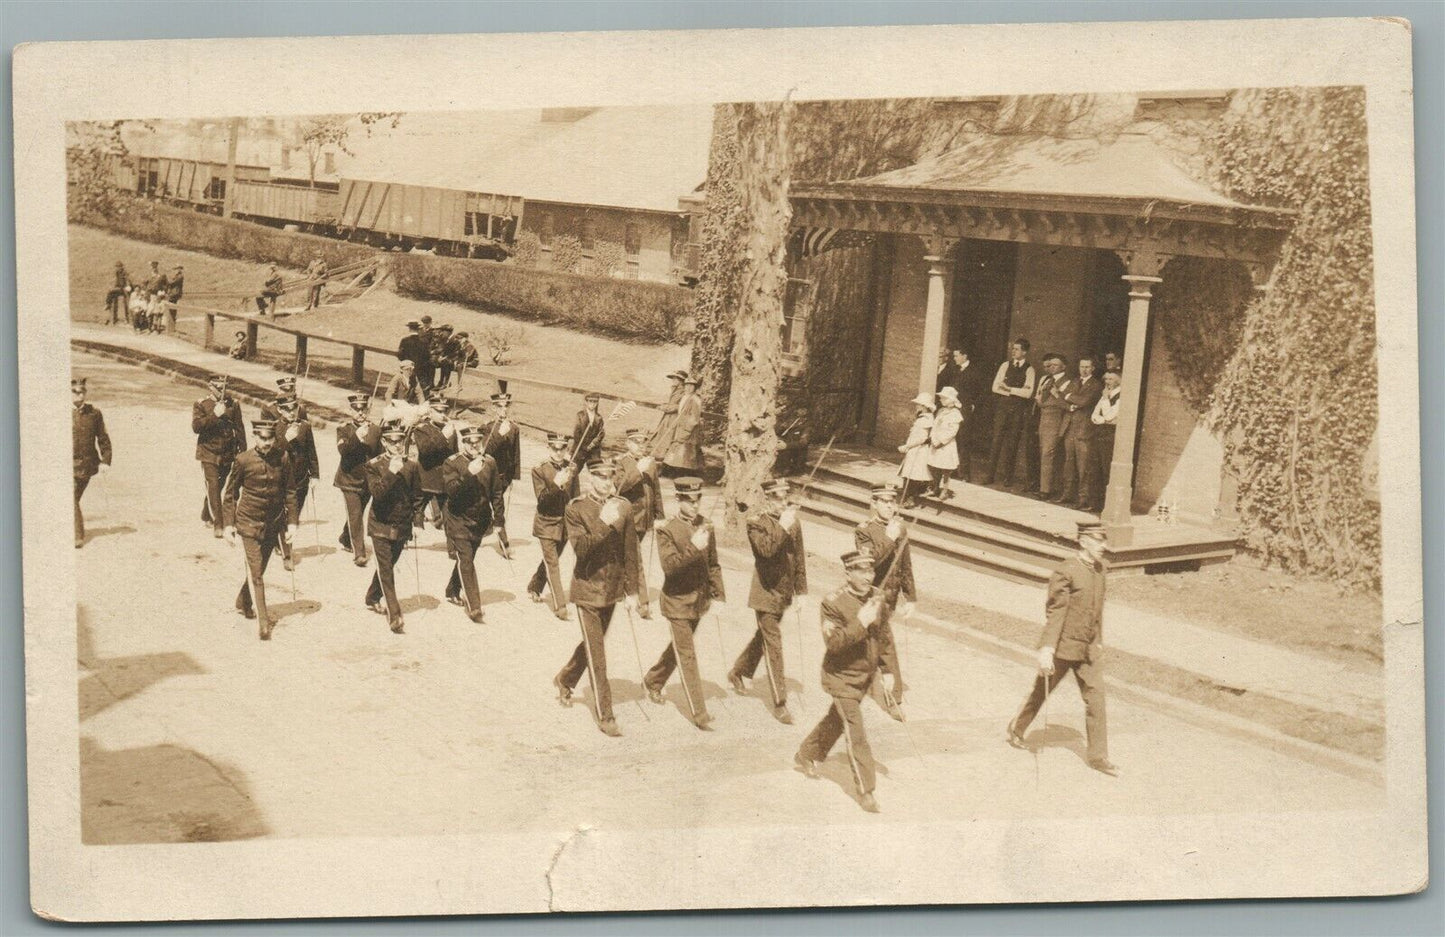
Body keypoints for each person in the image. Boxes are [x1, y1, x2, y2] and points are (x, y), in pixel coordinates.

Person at [1006, 520, 1118, 777]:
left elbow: (1097, 609)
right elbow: (1055, 612)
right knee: (1042, 691)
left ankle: (1099, 757)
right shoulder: (1067, 571)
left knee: (1096, 700)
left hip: (1088, 650)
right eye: (1099, 541)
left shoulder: (1101, 569)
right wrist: (1047, 649)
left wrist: (1098, 639)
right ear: (1083, 541)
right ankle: (1017, 728)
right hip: (1063, 647)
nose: (1104, 546)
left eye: (1104, 540)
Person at [793, 549, 887, 813]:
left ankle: (806, 753)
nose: (868, 576)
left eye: (871, 570)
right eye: (861, 571)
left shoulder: (877, 596)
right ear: (848, 573)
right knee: (855, 729)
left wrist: (889, 673)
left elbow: (885, 638)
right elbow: (833, 643)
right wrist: (860, 622)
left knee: (837, 720)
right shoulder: (832, 602)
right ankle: (866, 790)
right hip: (841, 677)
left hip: (865, 676)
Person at [552, 462, 641, 737]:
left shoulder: (623, 506)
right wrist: (604, 522)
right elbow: (581, 550)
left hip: (612, 590)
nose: (605, 482)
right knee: (598, 653)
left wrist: (633, 591)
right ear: (590, 480)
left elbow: (630, 551)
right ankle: (606, 715)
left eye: (609, 477)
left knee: (592, 646)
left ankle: (565, 678)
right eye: (600, 477)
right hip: (587, 589)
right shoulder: (576, 508)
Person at [643, 476, 724, 730]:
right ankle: (699, 713)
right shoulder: (667, 529)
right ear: (678, 500)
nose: (695, 505)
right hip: (677, 601)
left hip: (699, 601)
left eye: (698, 499)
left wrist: (718, 595)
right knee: (687, 654)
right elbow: (670, 568)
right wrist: (692, 547)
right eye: (689, 501)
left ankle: (654, 680)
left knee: (678, 649)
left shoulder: (706, 525)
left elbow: (713, 564)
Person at [728, 477, 808, 725]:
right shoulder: (756, 522)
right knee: (774, 644)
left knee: (763, 637)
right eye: (776, 498)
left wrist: (801, 591)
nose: (782, 502)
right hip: (764, 592)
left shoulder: (791, 521)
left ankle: (739, 672)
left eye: (785, 497)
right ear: (767, 499)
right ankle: (780, 702)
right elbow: (766, 552)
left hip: (783, 592)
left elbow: (798, 556)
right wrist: (782, 527)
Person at [223, 419, 299, 641]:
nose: (266, 443)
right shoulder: (243, 460)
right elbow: (230, 494)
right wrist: (229, 524)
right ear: (255, 437)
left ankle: (243, 601)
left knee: (260, 568)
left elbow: (291, 492)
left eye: (270, 439)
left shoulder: (283, 458)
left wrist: (292, 523)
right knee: (256, 573)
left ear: (275, 438)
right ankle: (263, 623)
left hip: (272, 523)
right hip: (248, 523)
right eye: (262, 438)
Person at [853, 483, 914, 720]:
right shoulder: (864, 531)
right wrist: (888, 538)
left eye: (893, 502)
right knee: (885, 643)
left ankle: (857, 675)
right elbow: (868, 563)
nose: (890, 506)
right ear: (874, 504)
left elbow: (905, 563)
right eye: (884, 502)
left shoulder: (900, 527)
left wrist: (911, 597)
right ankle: (894, 699)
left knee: (870, 640)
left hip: (891, 596)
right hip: (873, 595)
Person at [363, 424, 426, 634]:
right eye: (392, 441)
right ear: (383, 442)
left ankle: (372, 596)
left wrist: (417, 522)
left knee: (388, 565)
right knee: (387, 570)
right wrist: (391, 472)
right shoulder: (373, 465)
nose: (396, 445)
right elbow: (377, 493)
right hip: (380, 525)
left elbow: (418, 497)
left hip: (402, 526)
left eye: (400, 441)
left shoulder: (412, 466)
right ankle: (395, 616)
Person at [441, 425, 498, 624]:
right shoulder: (452, 463)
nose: (474, 446)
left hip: (479, 521)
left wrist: (499, 520)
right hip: (457, 520)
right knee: (466, 561)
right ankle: (474, 606)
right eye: (469, 442)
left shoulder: (489, 462)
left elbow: (496, 492)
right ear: (462, 443)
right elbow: (452, 492)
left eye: (478, 442)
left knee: (467, 558)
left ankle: (452, 589)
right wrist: (469, 474)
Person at [527, 433, 579, 619]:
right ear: (548, 448)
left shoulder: (572, 468)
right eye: (554, 448)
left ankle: (535, 586)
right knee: (553, 563)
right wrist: (556, 484)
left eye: (562, 448)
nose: (558, 452)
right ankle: (560, 606)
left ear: (566, 449)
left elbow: (576, 499)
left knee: (552, 559)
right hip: (546, 523)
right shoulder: (539, 470)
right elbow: (542, 501)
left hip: (565, 525)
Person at [614, 428, 662, 618]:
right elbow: (619, 488)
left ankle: (621, 588)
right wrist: (637, 471)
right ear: (628, 443)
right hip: (629, 519)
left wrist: (660, 516)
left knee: (627, 557)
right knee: (637, 560)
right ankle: (643, 603)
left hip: (645, 519)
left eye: (644, 442)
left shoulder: (650, 463)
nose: (641, 446)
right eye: (637, 442)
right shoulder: (622, 462)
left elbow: (656, 491)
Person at [192, 374, 245, 539]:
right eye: (219, 388)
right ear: (210, 387)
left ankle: (206, 514)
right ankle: (219, 524)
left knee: (219, 486)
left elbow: (239, 429)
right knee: (213, 486)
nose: (223, 392)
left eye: (224, 388)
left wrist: (243, 452)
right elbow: (196, 427)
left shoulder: (233, 404)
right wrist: (214, 415)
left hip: (227, 453)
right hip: (208, 452)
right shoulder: (201, 404)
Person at [272, 395, 319, 572]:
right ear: (280, 410)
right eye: (287, 409)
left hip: (301, 480)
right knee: (285, 517)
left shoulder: (305, 426)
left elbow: (311, 452)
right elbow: (272, 454)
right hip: (282, 480)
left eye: (294, 409)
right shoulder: (274, 427)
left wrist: (315, 475)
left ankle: (281, 542)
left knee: (294, 516)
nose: (291, 413)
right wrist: (286, 439)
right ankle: (287, 554)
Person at [335, 393, 382, 566]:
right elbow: (344, 451)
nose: (361, 413)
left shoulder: (376, 430)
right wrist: (357, 437)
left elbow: (379, 455)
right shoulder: (344, 429)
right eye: (356, 409)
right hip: (348, 480)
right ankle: (359, 554)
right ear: (350, 410)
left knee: (357, 512)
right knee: (355, 515)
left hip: (367, 481)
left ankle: (346, 538)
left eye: (364, 409)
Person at [983, 338, 1036, 488]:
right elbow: (995, 387)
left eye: (1017, 349)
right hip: (1003, 409)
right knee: (996, 442)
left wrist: (1009, 389)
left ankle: (1008, 477)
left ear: (1024, 352)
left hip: (1018, 412)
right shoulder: (1005, 365)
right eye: (1013, 349)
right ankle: (989, 475)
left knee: (1012, 444)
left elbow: (1028, 393)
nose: (1014, 351)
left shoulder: (1029, 369)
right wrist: (1012, 392)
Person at [1056, 355, 1103, 507]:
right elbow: (1060, 399)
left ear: (1093, 369)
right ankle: (1067, 494)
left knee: (1084, 466)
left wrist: (1069, 396)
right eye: (1082, 366)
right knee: (1069, 463)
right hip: (1069, 428)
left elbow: (1085, 401)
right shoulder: (1074, 381)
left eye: (1087, 367)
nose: (1084, 370)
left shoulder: (1096, 385)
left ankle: (1083, 499)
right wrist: (1069, 404)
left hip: (1084, 430)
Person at [478, 392, 520, 557]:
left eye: (506, 406)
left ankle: (498, 539)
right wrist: (499, 434)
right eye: (499, 406)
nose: (503, 410)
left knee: (496, 508)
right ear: (493, 407)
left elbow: (516, 453)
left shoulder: (514, 427)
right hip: (487, 475)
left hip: (503, 476)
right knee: (489, 507)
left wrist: (513, 476)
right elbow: (484, 451)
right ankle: (502, 542)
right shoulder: (487, 427)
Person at [72, 377, 112, 549]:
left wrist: (105, 460)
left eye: (82, 391)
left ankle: (71, 531)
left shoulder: (94, 414)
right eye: (75, 392)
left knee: (71, 498)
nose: (79, 395)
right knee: (70, 497)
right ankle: (76, 535)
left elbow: (103, 438)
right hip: (64, 465)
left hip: (86, 466)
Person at [412, 390, 459, 530]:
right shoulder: (422, 429)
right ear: (431, 412)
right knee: (417, 510)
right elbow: (425, 450)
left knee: (450, 514)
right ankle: (412, 536)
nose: (443, 415)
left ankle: (452, 547)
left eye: (445, 411)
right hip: (426, 477)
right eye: (439, 411)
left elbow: (454, 455)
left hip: (444, 480)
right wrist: (443, 437)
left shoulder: (450, 429)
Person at [935, 348, 981, 481]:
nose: (954, 358)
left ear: (964, 356)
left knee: (964, 440)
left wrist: (973, 405)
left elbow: (979, 391)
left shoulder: (974, 371)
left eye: (956, 356)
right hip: (952, 409)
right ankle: (952, 470)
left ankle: (965, 473)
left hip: (965, 410)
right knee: (951, 438)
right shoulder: (953, 370)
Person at [1033, 353, 1071, 499]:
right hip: (1044, 417)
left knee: (1048, 453)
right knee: (1044, 451)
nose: (1052, 367)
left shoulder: (1067, 382)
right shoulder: (1048, 380)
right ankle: (1045, 486)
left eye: (1055, 365)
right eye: (1051, 365)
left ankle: (1046, 490)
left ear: (1063, 367)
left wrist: (1057, 395)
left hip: (1055, 419)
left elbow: (1066, 404)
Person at [1087, 370, 1122, 514]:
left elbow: (1109, 415)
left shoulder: (1120, 396)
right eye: (1106, 378)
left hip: (1110, 435)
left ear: (1119, 380)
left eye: (1111, 379)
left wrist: (1106, 400)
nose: (1108, 382)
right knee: (1096, 469)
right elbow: (1094, 415)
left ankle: (1108, 505)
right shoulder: (1105, 395)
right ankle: (1096, 504)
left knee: (1107, 469)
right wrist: (1104, 419)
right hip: (1100, 432)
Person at [896, 392, 935, 507]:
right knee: (908, 473)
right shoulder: (922, 418)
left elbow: (922, 438)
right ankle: (905, 497)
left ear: (924, 406)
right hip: (914, 449)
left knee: (914, 474)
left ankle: (910, 499)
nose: (917, 406)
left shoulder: (926, 420)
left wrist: (907, 446)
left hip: (918, 450)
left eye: (919, 404)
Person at [928, 386, 963, 500]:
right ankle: (935, 487)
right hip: (936, 442)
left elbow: (952, 431)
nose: (941, 400)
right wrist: (933, 438)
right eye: (941, 398)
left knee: (946, 469)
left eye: (944, 398)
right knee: (935, 466)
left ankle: (945, 490)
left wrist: (941, 441)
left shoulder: (955, 414)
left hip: (946, 445)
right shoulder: (941, 411)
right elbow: (935, 425)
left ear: (951, 400)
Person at [663, 376, 703, 475]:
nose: (688, 388)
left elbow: (694, 418)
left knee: (687, 452)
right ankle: (675, 472)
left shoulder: (695, 400)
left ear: (695, 388)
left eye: (691, 386)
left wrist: (686, 430)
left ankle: (687, 474)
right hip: (681, 428)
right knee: (678, 451)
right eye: (687, 385)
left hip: (689, 430)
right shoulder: (685, 397)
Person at [648, 370, 687, 460]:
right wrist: (664, 405)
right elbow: (672, 402)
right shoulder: (675, 390)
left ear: (680, 380)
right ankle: (660, 457)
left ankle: (666, 459)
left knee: (670, 438)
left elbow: (680, 406)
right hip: (668, 417)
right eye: (673, 378)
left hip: (675, 418)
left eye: (675, 379)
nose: (673, 380)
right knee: (662, 436)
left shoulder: (683, 392)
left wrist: (666, 408)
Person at [570, 392, 606, 470]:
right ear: (586, 402)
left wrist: (593, 444)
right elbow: (576, 433)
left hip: (593, 449)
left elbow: (601, 433)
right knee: (573, 470)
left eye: (595, 402)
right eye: (590, 401)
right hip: (580, 447)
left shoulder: (599, 418)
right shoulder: (580, 415)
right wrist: (585, 446)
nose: (592, 404)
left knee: (597, 470)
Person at [397, 320, 430, 388]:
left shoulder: (405, 340)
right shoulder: (424, 342)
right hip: (419, 368)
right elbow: (427, 356)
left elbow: (400, 355)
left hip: (406, 366)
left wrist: (404, 361)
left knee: (404, 385)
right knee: (415, 386)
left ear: (410, 329)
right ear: (417, 329)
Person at [429, 324, 454, 388]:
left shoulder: (453, 339)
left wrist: (442, 356)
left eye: (443, 331)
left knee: (445, 362)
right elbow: (440, 348)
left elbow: (453, 352)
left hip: (454, 358)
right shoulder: (444, 338)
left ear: (448, 332)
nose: (441, 332)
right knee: (431, 361)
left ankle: (444, 383)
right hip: (446, 357)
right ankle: (431, 382)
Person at [164, 264, 184, 333]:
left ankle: (172, 325)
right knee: (172, 308)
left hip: (175, 293)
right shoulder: (177, 276)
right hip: (173, 293)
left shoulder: (180, 276)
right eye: (176, 269)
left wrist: (166, 281)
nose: (177, 270)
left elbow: (172, 283)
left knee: (172, 308)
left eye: (178, 268)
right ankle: (171, 324)